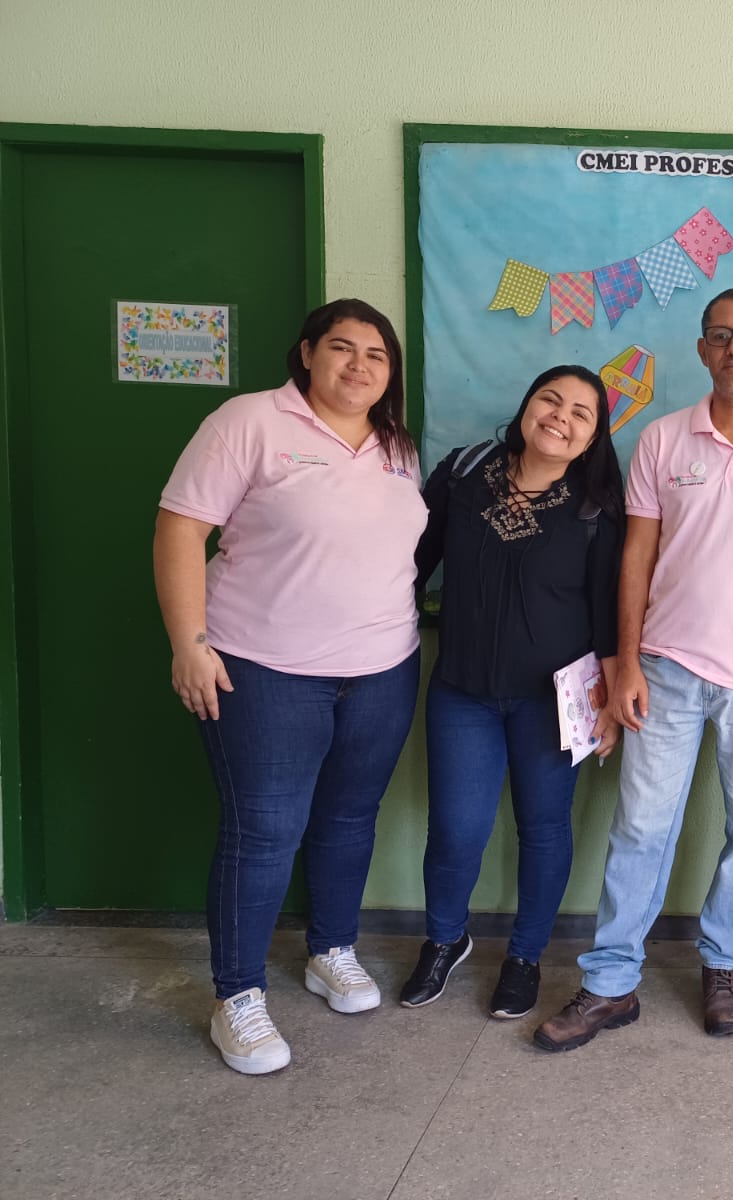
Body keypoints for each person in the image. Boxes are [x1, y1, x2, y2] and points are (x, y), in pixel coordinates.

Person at [533, 288, 733, 1051]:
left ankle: (726, 965)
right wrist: (627, 665)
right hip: (664, 667)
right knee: (640, 825)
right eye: (721, 336)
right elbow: (635, 556)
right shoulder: (663, 438)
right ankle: (611, 982)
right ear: (702, 350)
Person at [154, 299, 426, 1075]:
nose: (359, 366)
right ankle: (237, 995)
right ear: (307, 354)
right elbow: (180, 527)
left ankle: (331, 950)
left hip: (382, 668)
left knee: (349, 819)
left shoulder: (397, 446)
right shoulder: (249, 421)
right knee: (264, 831)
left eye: (377, 355)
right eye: (342, 348)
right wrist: (189, 643)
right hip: (263, 669)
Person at [401, 365, 624, 1018]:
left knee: (545, 830)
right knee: (456, 830)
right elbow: (410, 565)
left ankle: (525, 956)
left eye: (581, 413)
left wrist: (612, 702)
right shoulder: (464, 474)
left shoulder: (595, 507)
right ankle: (445, 940)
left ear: (593, 436)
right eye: (550, 400)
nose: (561, 417)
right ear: (526, 406)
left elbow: (609, 613)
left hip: (552, 702)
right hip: (462, 692)